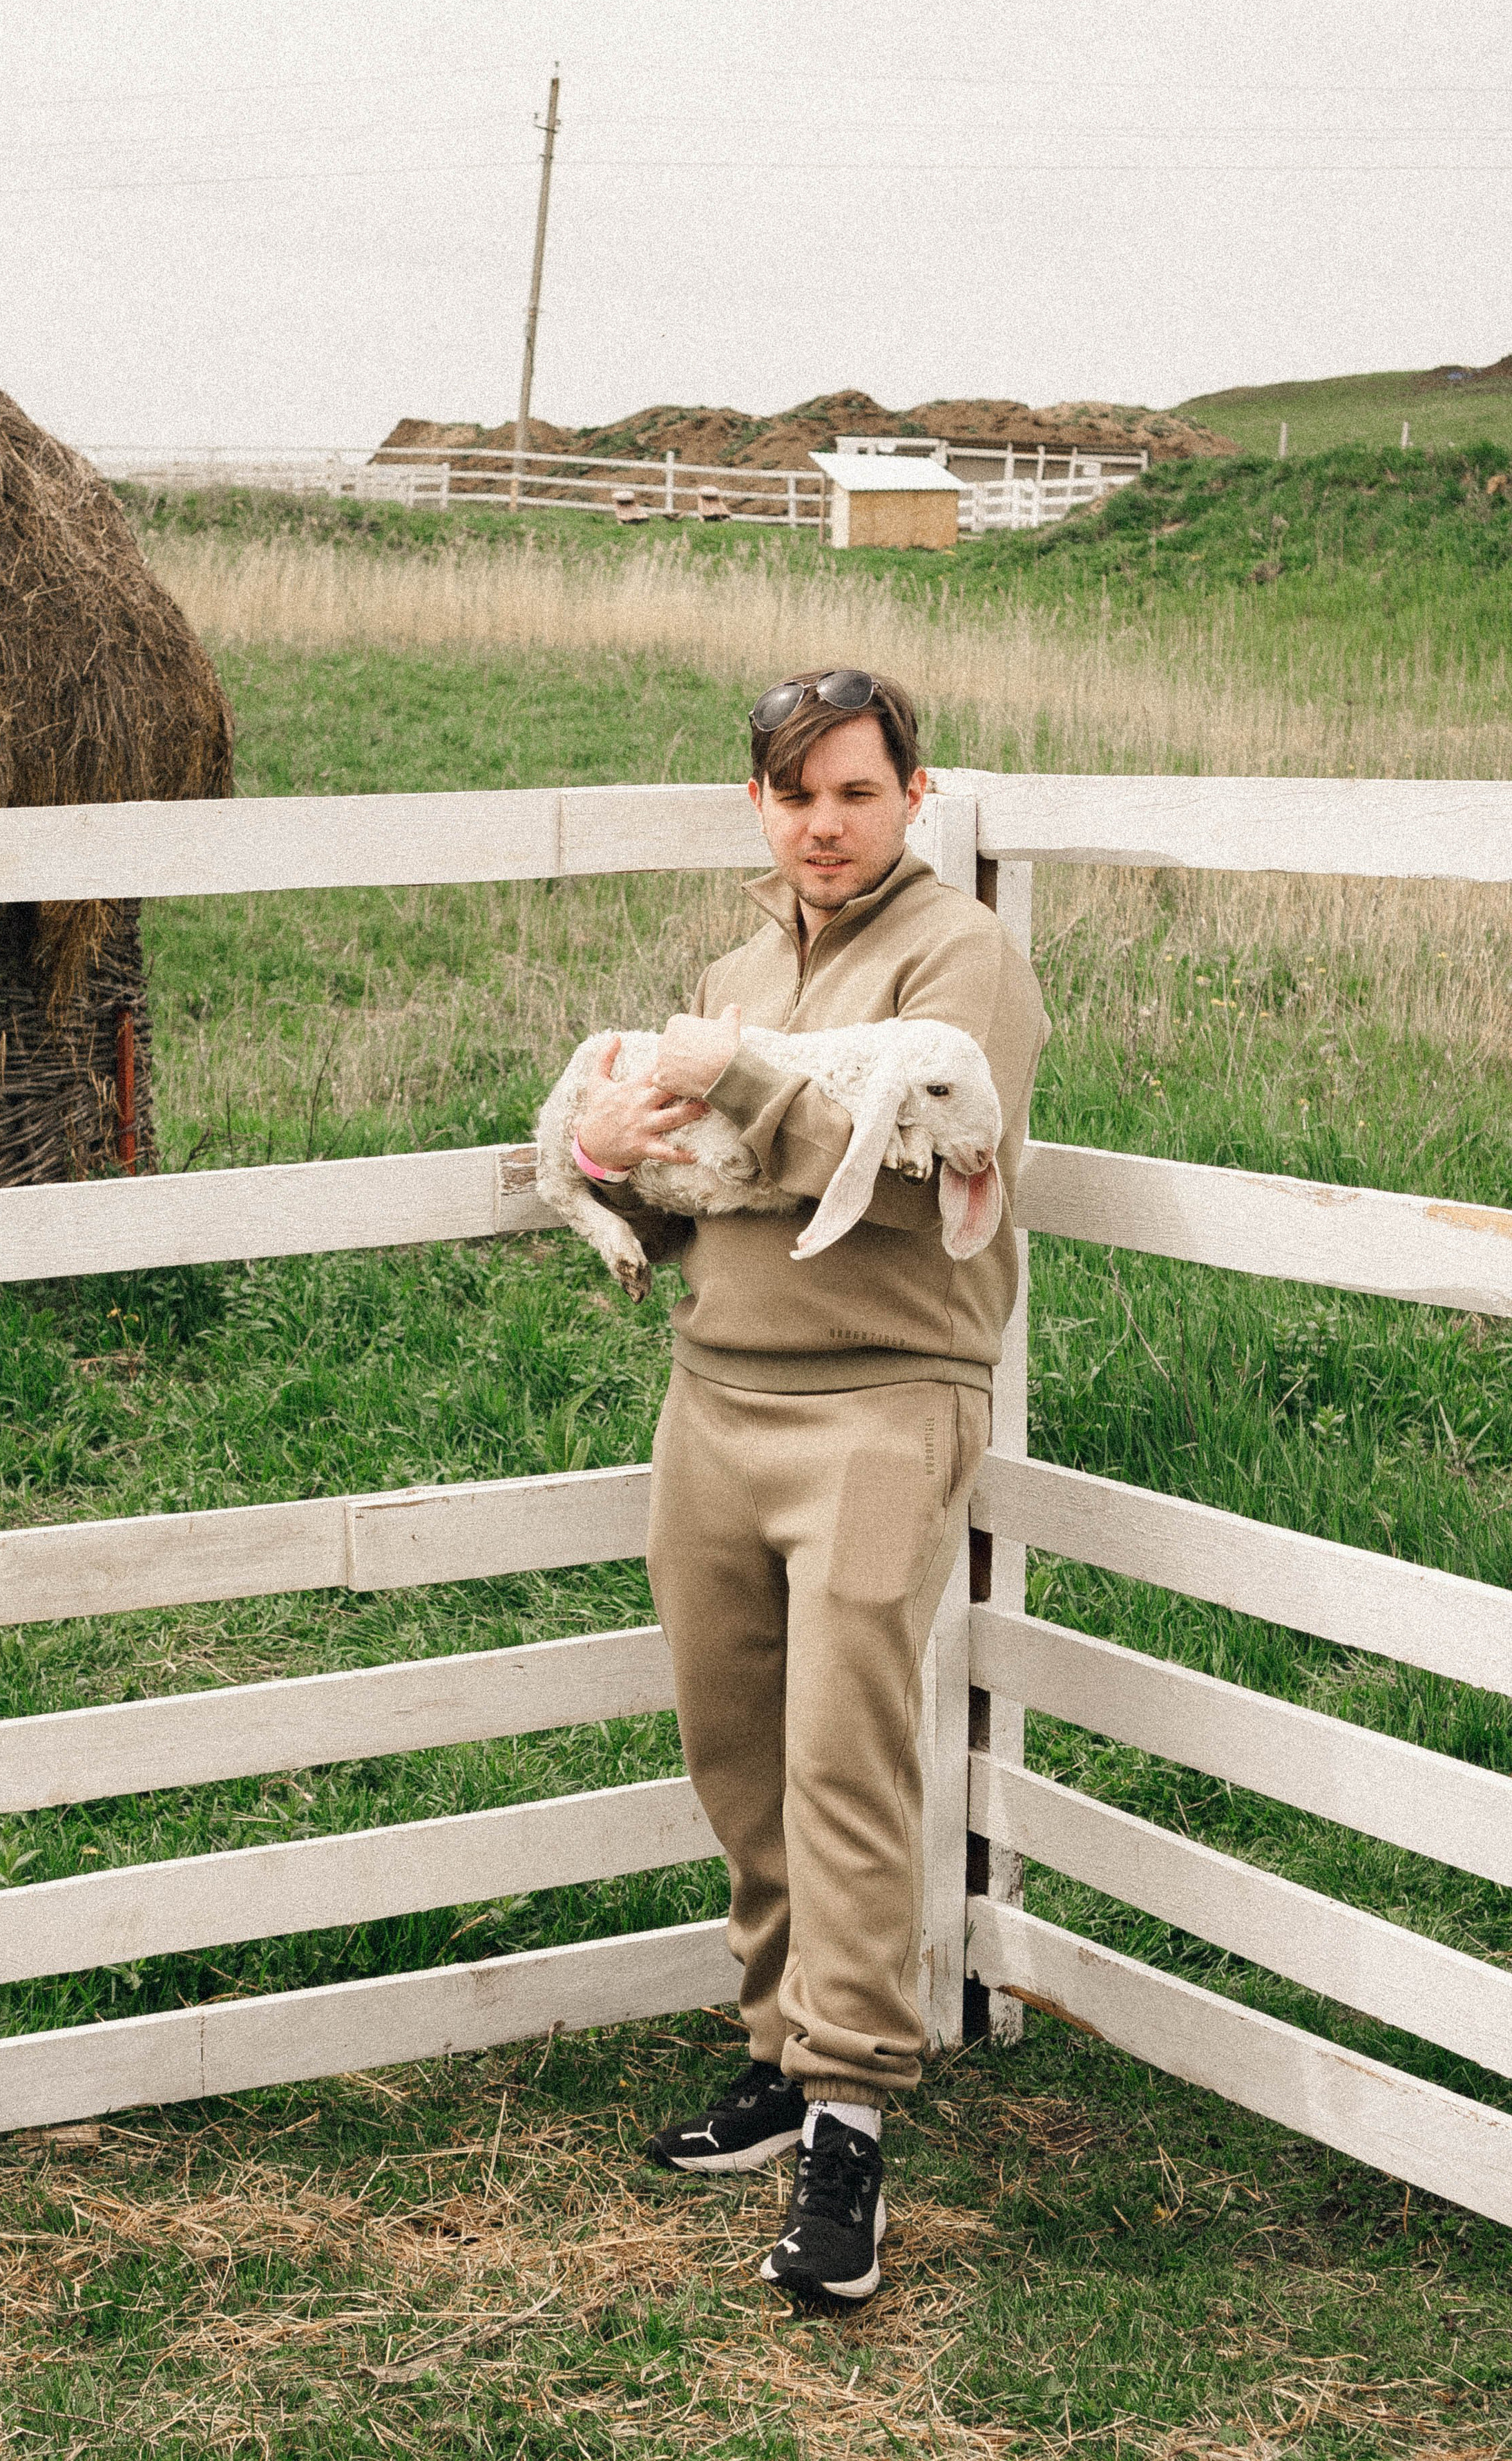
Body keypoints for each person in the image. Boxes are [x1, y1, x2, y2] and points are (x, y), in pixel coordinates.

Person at [571, 666, 1046, 2305]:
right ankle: (782, 2052)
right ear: (755, 809)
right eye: (793, 795)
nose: (822, 823)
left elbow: (923, 1165)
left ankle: (850, 2122)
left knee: (844, 1750)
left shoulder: (960, 958)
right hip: (717, 1393)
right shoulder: (738, 965)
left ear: (912, 794)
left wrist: (740, 1079)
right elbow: (704, 1198)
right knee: (736, 1742)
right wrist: (607, 1161)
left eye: (853, 790)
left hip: (879, 1396)